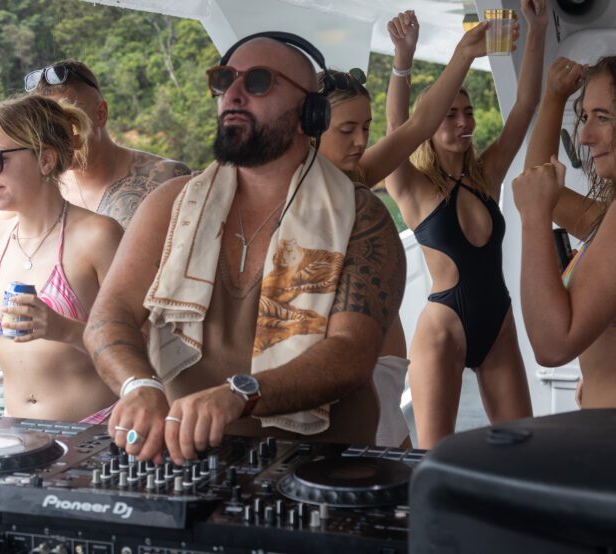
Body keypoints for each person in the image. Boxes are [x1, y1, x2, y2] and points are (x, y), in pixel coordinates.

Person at [83, 32, 404, 462]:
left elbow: (350, 355)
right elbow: (110, 316)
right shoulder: (171, 205)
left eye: (256, 82)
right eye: (223, 80)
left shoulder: (362, 218)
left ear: (309, 111)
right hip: (187, 461)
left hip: (321, 470)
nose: (232, 94)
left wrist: (240, 394)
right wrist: (139, 385)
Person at [315, 16, 496, 446]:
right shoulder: (288, 194)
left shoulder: (357, 175)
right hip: (344, 368)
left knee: (404, 479)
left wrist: (461, 57)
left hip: (385, 365)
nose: (361, 140)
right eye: (347, 130)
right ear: (309, 127)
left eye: (365, 128)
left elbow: (415, 127)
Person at [385, 0, 549, 448]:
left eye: (468, 112)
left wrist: (535, 32)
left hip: (497, 322)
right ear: (431, 125)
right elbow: (397, 129)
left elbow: (525, 107)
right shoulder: (414, 188)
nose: (463, 122)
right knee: (436, 456)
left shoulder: (487, 176)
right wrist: (403, 61)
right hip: (444, 328)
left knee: (522, 447)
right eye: (449, 115)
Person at [0, 95, 123, 421]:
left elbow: (140, 343)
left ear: (45, 160)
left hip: (95, 434)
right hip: (16, 437)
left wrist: (62, 328)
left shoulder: (99, 236)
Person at [0, 59, 190, 269]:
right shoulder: (44, 185)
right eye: (44, 127)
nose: (52, 138)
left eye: (64, 121)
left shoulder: (167, 178)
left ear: (100, 114)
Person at [514, 55, 616, 407]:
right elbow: (540, 183)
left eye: (603, 118)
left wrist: (533, 220)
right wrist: (554, 98)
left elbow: (552, 345)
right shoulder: (607, 216)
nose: (585, 136)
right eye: (585, 117)